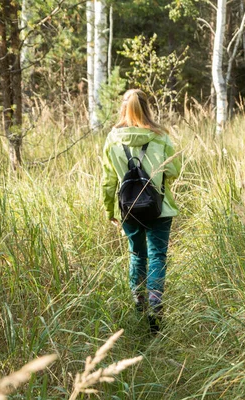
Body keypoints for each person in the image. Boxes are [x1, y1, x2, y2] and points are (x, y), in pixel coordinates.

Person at [101, 89, 181, 333]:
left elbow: (107, 181)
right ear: (147, 108)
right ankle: (156, 305)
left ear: (123, 108)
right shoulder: (161, 137)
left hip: (127, 209)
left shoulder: (113, 139)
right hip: (159, 208)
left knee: (137, 254)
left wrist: (109, 210)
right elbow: (173, 171)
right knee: (158, 255)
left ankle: (139, 304)